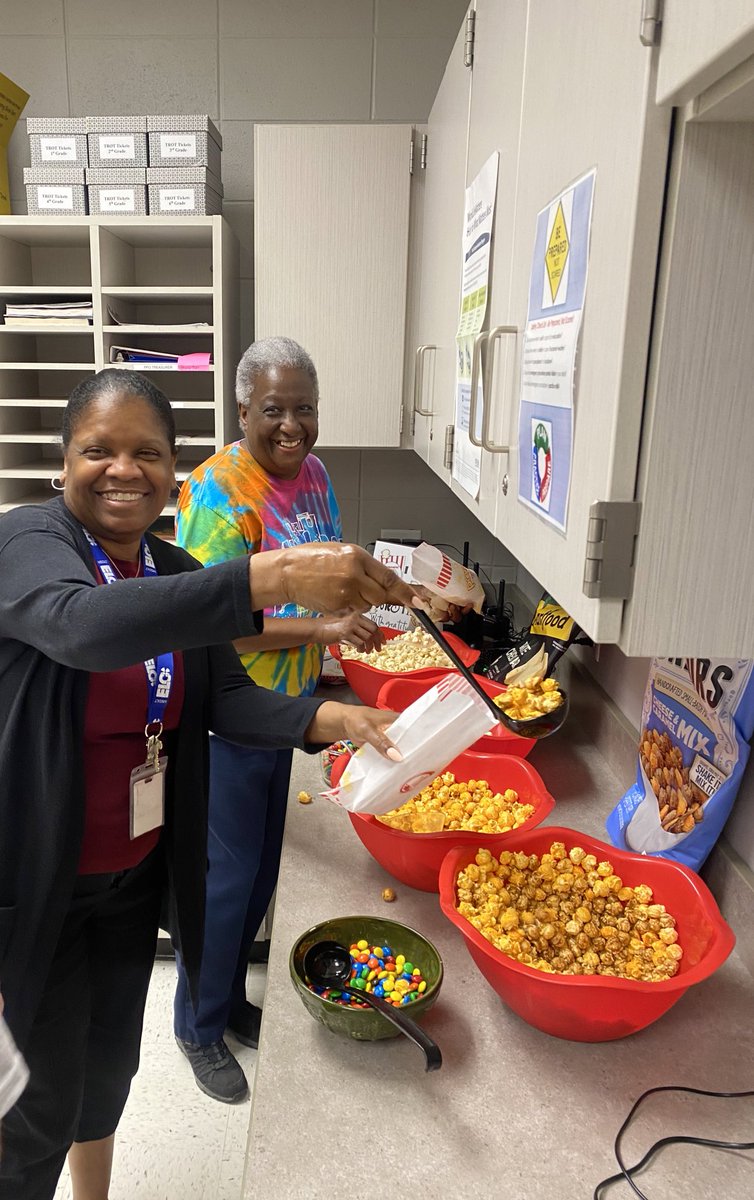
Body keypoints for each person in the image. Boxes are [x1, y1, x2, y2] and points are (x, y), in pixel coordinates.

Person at [0, 368, 416, 1200]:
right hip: (32, 885)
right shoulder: (27, 543)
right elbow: (82, 630)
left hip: (131, 882)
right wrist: (275, 576)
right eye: (99, 451)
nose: (123, 470)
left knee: (110, 1067)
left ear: (172, 468)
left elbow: (225, 695)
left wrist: (338, 724)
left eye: (145, 452)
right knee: (31, 1107)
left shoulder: (170, 562)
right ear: (64, 462)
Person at [172, 337, 383, 1102]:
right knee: (224, 883)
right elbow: (214, 625)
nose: (290, 426)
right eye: (273, 410)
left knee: (260, 875)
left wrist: (348, 613)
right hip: (230, 717)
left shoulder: (316, 476)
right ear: (241, 411)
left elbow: (315, 575)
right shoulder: (218, 494)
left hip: (288, 714)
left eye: (304, 409)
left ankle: (226, 1001)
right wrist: (321, 633)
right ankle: (196, 1030)